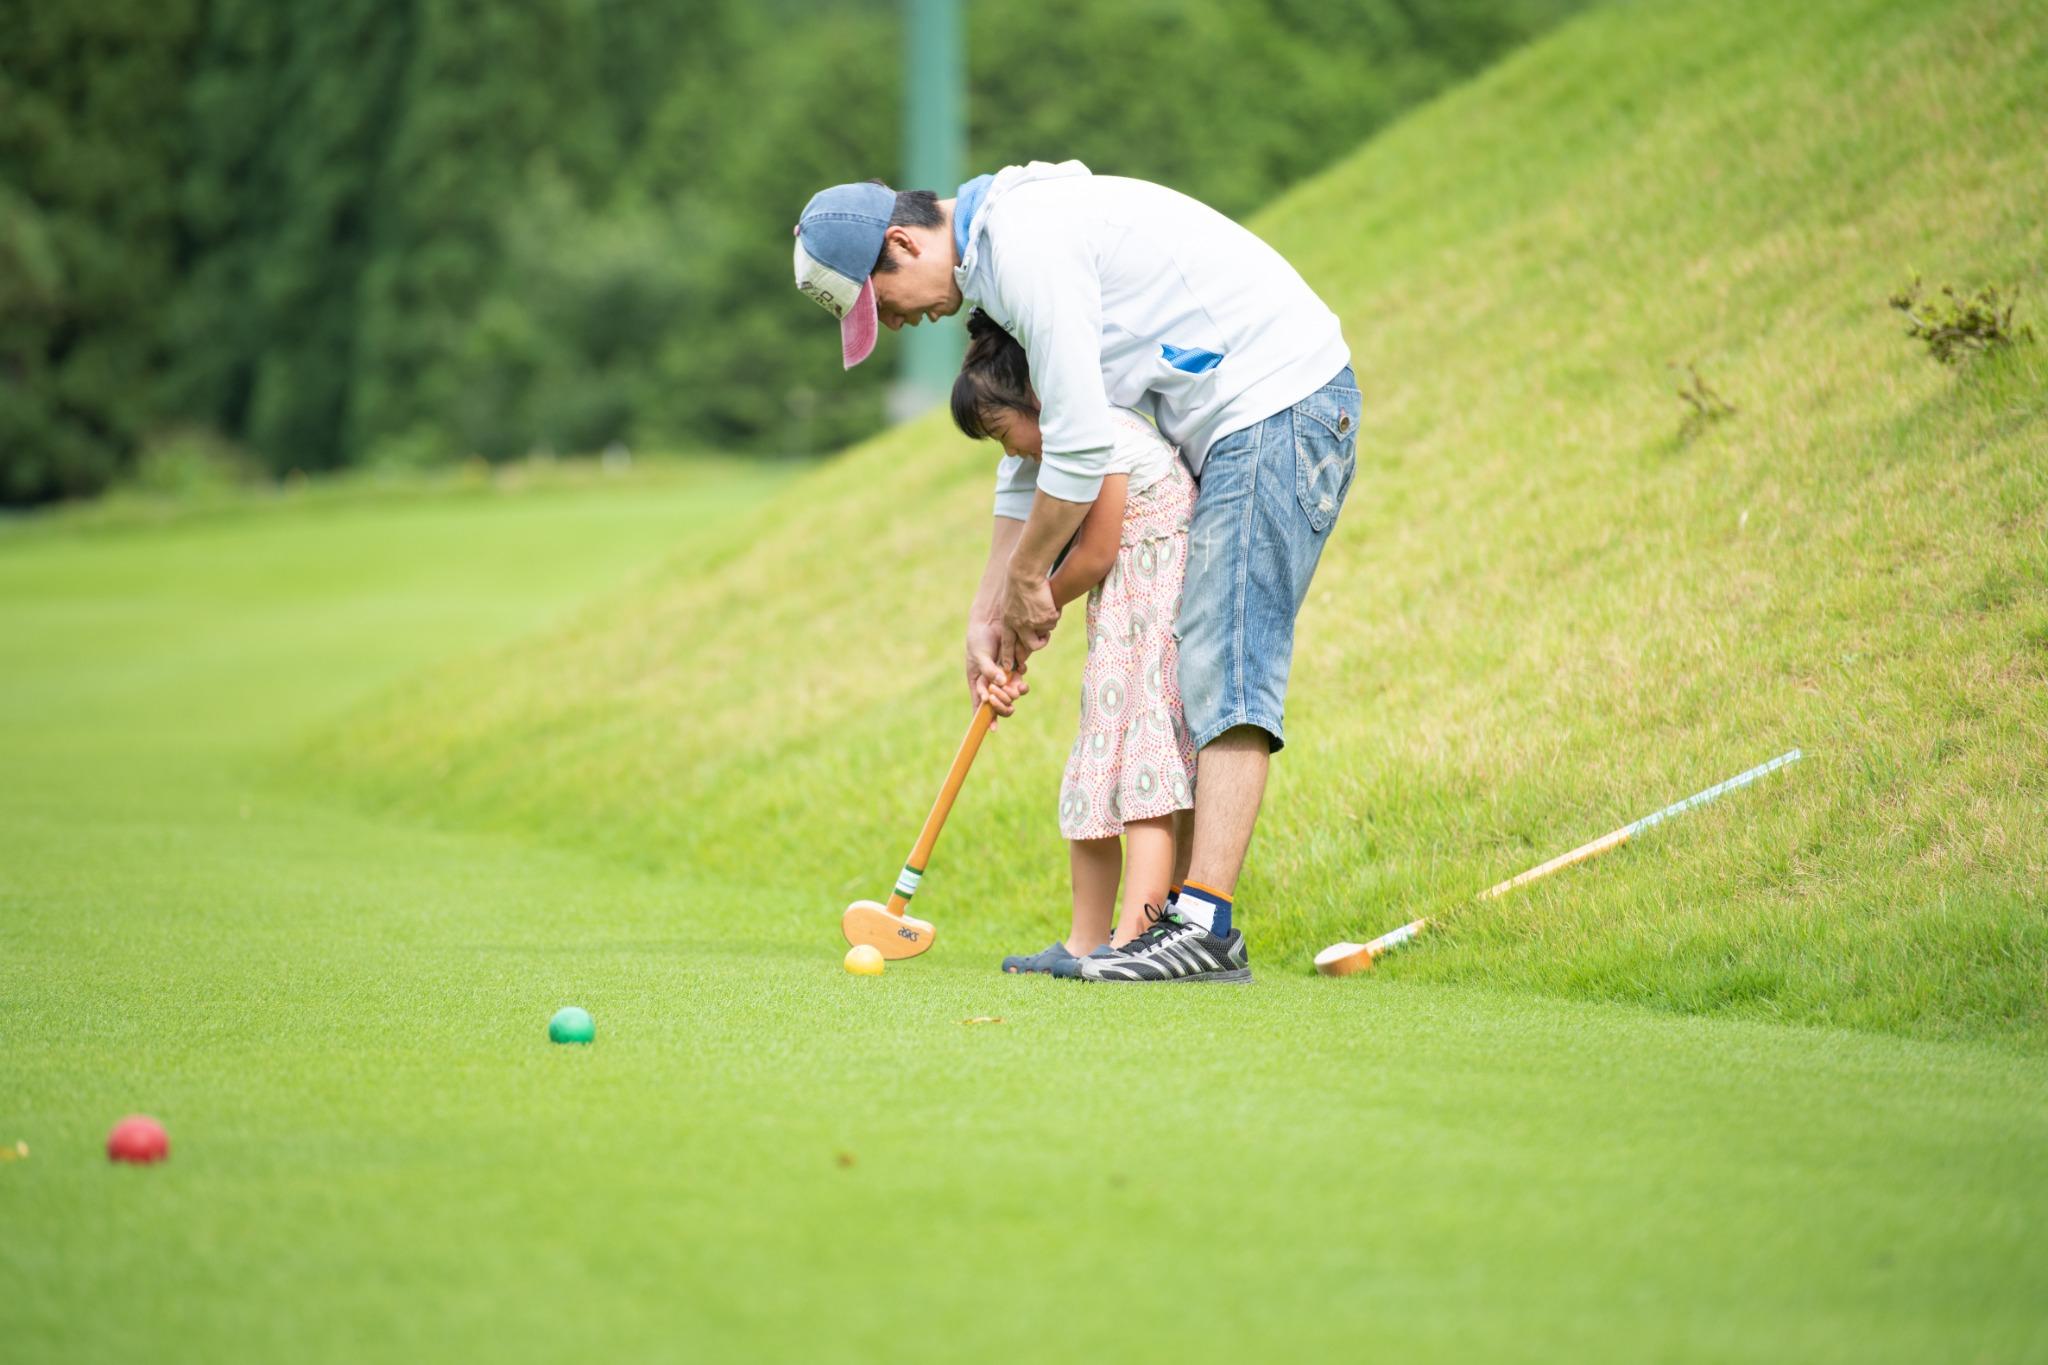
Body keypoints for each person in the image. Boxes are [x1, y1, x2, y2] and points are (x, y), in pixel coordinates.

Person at [793, 161, 1358, 983]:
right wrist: (991, 606)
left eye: (886, 305)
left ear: (902, 243)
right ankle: (1167, 927)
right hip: (1233, 423)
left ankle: (1203, 928)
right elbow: (1032, 460)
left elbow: (1082, 442)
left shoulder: (1023, 246)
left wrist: (1031, 583)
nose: (903, 326)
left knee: (1223, 656)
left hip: (1278, 404)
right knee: (1193, 670)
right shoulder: (992, 270)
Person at [949, 312, 1202, 979]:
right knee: (1097, 768)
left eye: (1006, 434)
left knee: (1144, 770)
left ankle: (1133, 940)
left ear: (1036, 398)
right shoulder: (1063, 460)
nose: (1011, 455)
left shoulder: (1107, 437)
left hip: (1158, 620)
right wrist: (1019, 622)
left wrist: (1034, 609)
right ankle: (1087, 940)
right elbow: (1063, 564)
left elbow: (1092, 556)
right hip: (1118, 622)